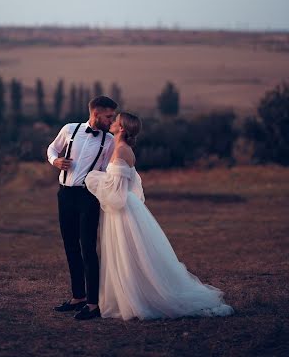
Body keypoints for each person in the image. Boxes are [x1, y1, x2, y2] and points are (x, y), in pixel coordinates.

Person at [85, 112, 234, 321]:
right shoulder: (123, 149)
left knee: (128, 253)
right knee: (130, 253)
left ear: (122, 128)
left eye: (115, 121)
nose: (111, 123)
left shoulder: (121, 150)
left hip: (122, 210)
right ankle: (130, 294)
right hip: (127, 207)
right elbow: (128, 182)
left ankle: (138, 297)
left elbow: (115, 192)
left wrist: (92, 178)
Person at [47, 95, 117, 320]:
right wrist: (55, 161)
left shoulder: (110, 141)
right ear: (95, 112)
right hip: (65, 193)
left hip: (89, 196)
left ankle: (93, 304)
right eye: (109, 116)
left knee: (88, 247)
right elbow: (52, 148)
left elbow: (108, 170)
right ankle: (78, 297)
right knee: (70, 244)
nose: (112, 120)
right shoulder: (69, 129)